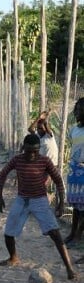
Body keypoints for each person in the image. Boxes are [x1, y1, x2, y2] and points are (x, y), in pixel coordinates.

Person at [0, 133, 77, 280]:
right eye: (29, 151)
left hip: (40, 200)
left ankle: (69, 268)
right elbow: (3, 174)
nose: (32, 154)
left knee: (55, 234)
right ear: (23, 148)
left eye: (35, 151)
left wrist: (60, 202)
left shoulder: (45, 161)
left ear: (39, 149)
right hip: (22, 200)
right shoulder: (17, 160)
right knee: (8, 232)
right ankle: (13, 257)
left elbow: (58, 181)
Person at [65, 97, 84, 249]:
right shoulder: (74, 130)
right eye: (76, 110)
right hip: (74, 170)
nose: (76, 112)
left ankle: (78, 235)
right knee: (76, 205)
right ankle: (72, 232)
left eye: (79, 110)